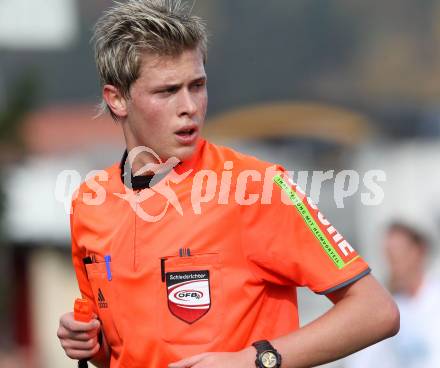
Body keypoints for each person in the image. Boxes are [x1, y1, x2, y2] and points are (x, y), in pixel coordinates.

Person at [57, 1, 399, 367]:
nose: (189, 105)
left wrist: (254, 360)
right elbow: (122, 352)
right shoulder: (89, 204)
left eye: (197, 85)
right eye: (168, 91)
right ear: (117, 99)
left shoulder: (257, 188)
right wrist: (90, 345)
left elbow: (376, 311)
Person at [344, 221, 440, 368]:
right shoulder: (388, 308)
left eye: (399, 253)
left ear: (419, 250)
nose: (394, 262)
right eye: (389, 254)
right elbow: (361, 361)